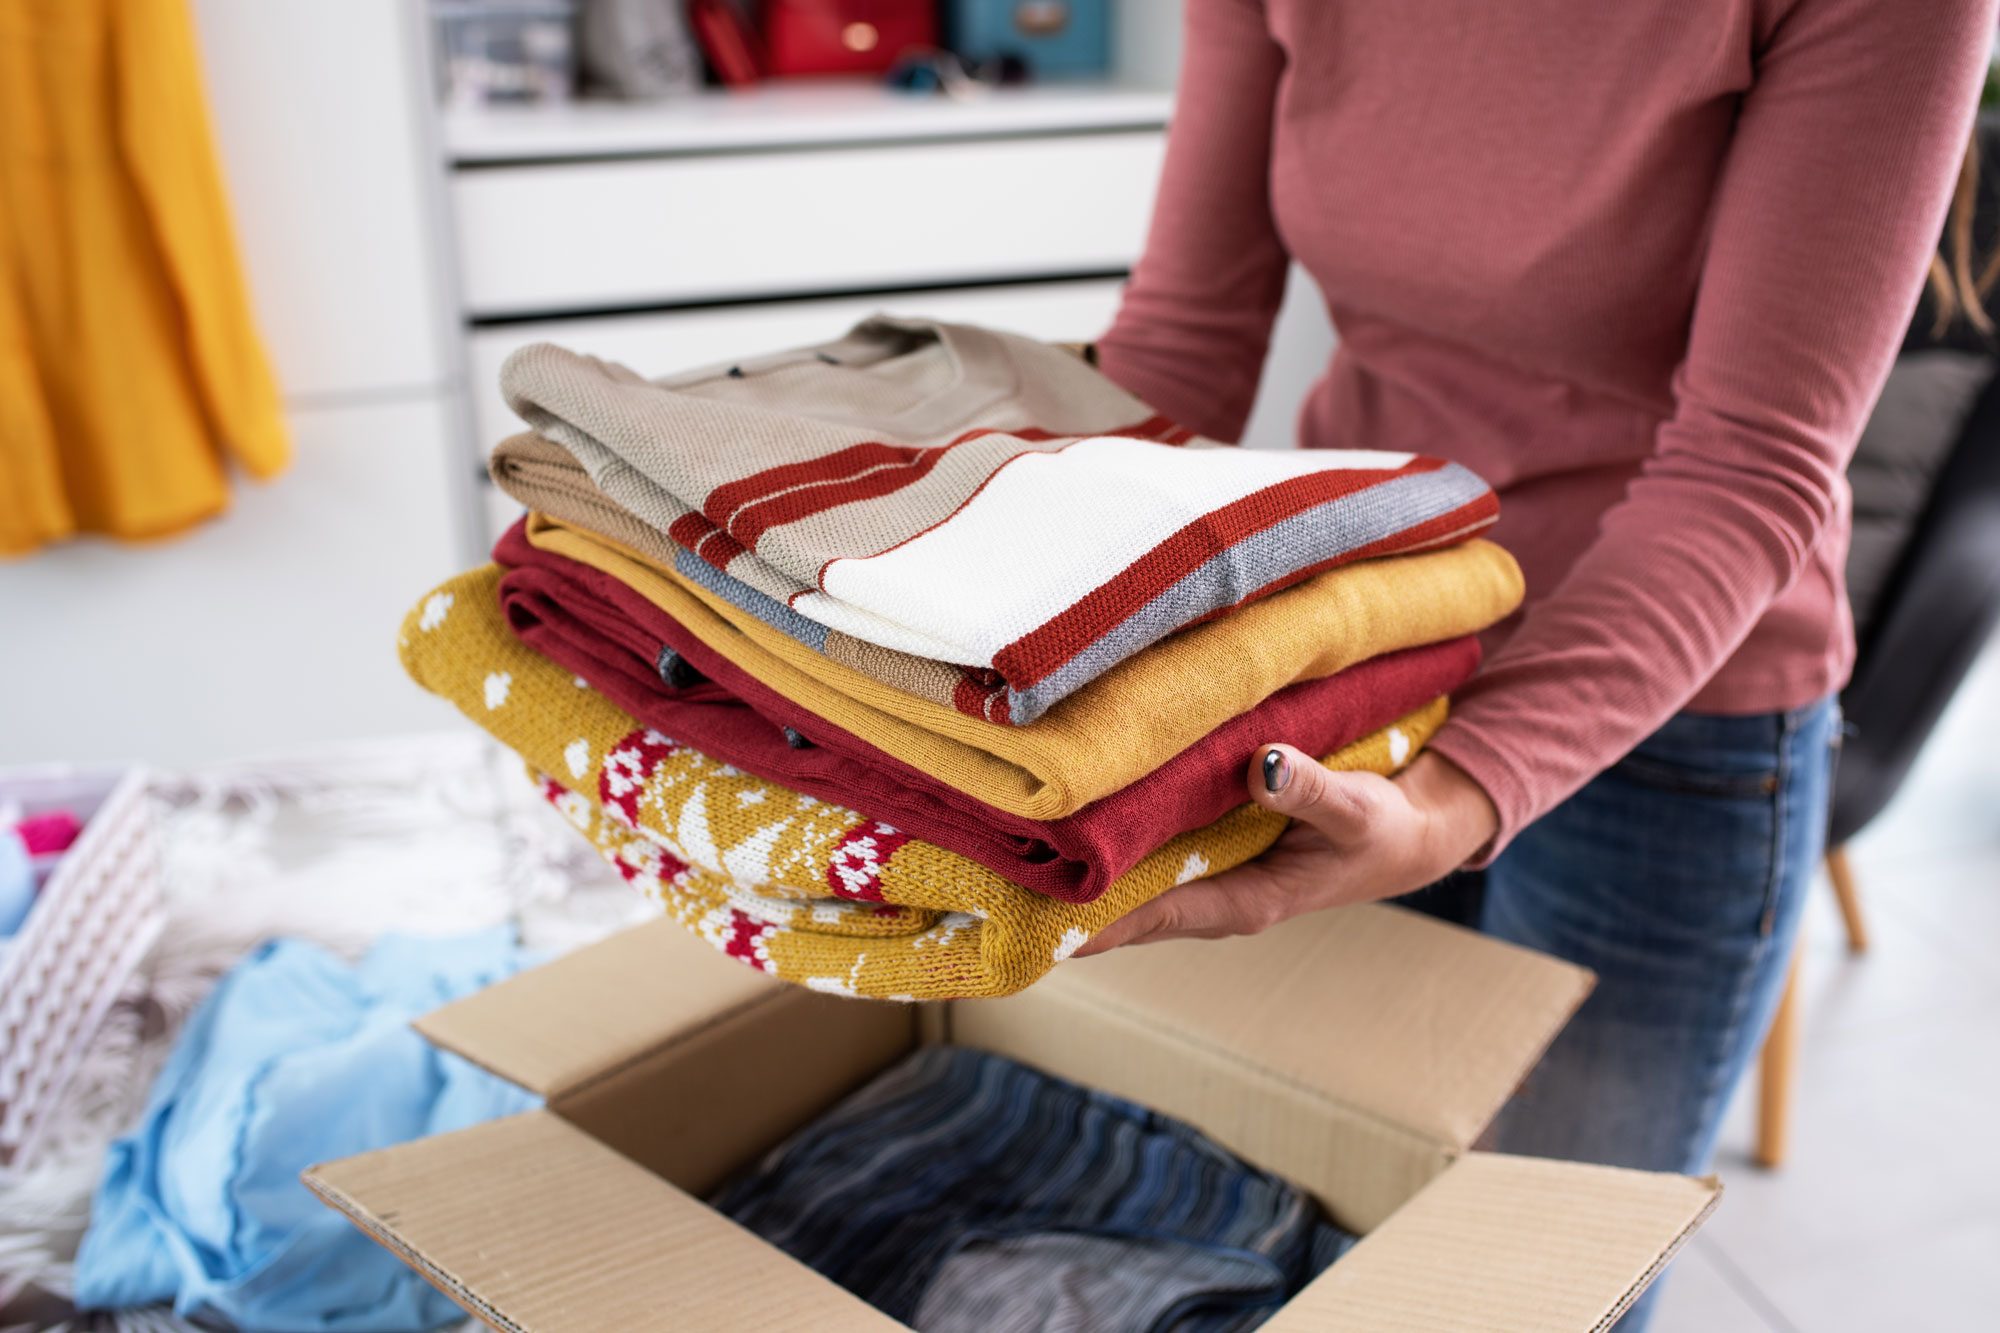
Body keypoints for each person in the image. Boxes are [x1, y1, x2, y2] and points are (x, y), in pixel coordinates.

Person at [1077, 3, 1996, 1323]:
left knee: (1524, 1287)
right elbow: (1180, 342)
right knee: (1315, 1232)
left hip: (1673, 713)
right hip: (1368, 656)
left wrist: (1459, 799)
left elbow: (1750, 467)